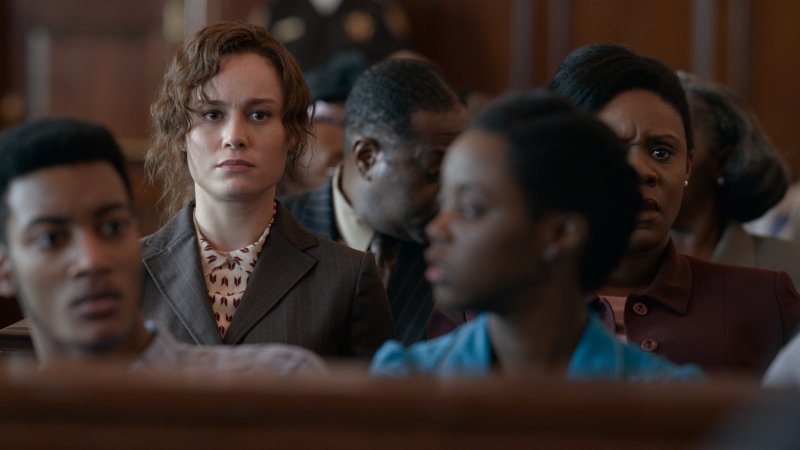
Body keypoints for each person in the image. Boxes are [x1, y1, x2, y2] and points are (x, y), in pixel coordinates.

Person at [370, 91, 702, 381]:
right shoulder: (403, 380)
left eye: (470, 209)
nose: (437, 228)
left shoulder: (666, 400)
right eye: (443, 205)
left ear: (560, 234)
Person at [143, 21, 393, 358]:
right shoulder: (130, 271)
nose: (234, 136)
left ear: (291, 133)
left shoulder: (348, 277)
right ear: (180, 134)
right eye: (212, 114)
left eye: (259, 115)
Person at [0, 117, 326, 374]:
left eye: (112, 228)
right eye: (50, 239)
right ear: (5, 269)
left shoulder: (279, 380)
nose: (92, 260)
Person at [549, 43, 800, 376]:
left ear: (688, 167)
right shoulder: (507, 306)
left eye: (661, 152)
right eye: (611, 149)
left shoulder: (767, 302)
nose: (643, 171)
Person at [283, 58, 468, 344]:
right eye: (433, 171)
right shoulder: (273, 232)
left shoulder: (458, 246)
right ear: (367, 157)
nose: (447, 198)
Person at [670, 72, 800, 287]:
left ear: (724, 160)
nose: (641, 165)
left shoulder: (790, 268)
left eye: (664, 149)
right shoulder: (614, 265)